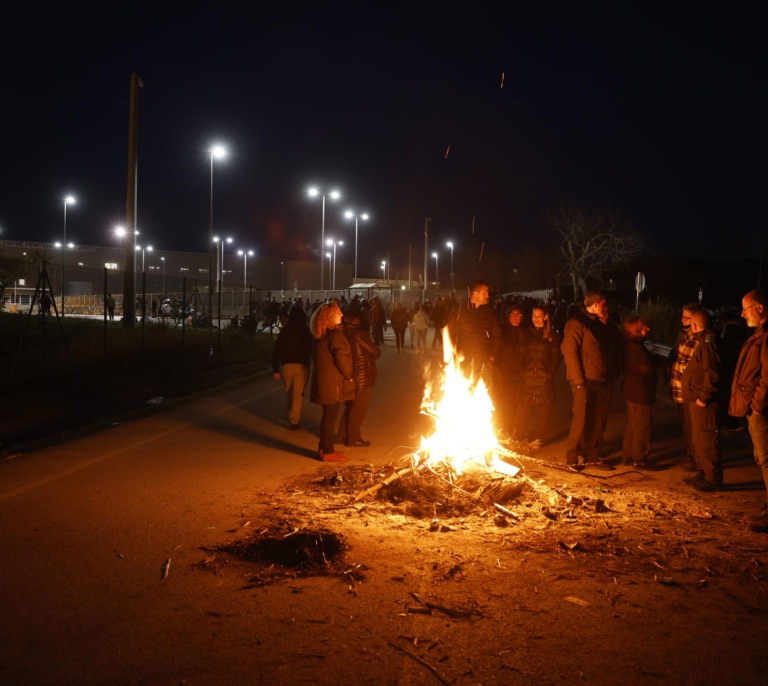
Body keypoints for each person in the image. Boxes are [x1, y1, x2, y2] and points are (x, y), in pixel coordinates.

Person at [728, 289, 768, 533]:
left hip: (761, 411)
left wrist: (757, 404)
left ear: (760, 308)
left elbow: (767, 376)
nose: (742, 314)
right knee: (762, 459)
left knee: (767, 460)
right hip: (756, 409)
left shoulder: (766, 337)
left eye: (746, 309)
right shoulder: (760, 335)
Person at [560, 290, 613, 469]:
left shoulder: (596, 323)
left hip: (599, 377)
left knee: (597, 418)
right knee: (581, 418)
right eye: (604, 304)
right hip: (584, 379)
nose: (606, 308)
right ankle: (572, 458)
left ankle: (592, 455)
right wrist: (578, 381)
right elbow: (569, 351)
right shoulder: (576, 323)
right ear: (596, 304)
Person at [678, 310, 722, 490]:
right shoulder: (703, 341)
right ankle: (704, 473)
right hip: (695, 398)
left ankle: (712, 478)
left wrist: (704, 398)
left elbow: (712, 373)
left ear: (694, 326)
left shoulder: (708, 343)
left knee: (707, 439)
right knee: (699, 439)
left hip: (703, 401)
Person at [309, 302, 355, 462]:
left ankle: (323, 448)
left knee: (328, 415)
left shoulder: (320, 335)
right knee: (330, 416)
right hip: (332, 383)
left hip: (324, 381)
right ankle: (328, 452)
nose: (342, 314)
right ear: (331, 316)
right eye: (338, 312)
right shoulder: (334, 335)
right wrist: (349, 375)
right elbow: (342, 358)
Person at [515, 305, 561, 448]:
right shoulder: (525, 334)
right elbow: (520, 355)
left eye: (539, 316)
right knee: (522, 411)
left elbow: (555, 359)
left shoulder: (553, 336)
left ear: (546, 317)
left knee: (543, 414)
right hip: (527, 379)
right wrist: (522, 372)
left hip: (544, 380)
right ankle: (518, 438)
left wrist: (549, 375)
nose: (536, 319)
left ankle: (538, 439)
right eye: (534, 315)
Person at [449, 280, 502, 390]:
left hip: (485, 359)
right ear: (475, 294)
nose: (488, 296)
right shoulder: (460, 310)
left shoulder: (490, 312)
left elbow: (497, 335)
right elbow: (448, 332)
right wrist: (455, 351)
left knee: (485, 392)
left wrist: (493, 355)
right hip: (465, 360)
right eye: (484, 293)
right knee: (464, 391)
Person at [669, 302, 704, 471]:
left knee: (694, 428)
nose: (682, 320)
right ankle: (690, 455)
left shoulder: (698, 341)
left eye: (686, 318)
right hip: (679, 390)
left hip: (689, 392)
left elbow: (694, 368)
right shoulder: (684, 337)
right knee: (687, 427)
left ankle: (697, 460)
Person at [339, 310, 381, 447]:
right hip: (361, 376)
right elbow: (375, 352)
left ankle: (343, 434)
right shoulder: (359, 334)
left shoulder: (342, 334)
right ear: (354, 321)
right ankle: (354, 437)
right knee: (359, 406)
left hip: (348, 375)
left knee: (350, 405)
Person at [621, 316, 656, 468]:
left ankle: (628, 455)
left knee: (633, 424)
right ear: (637, 331)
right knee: (642, 424)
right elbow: (645, 368)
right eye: (644, 327)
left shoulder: (629, 345)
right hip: (641, 391)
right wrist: (656, 364)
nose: (648, 329)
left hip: (631, 389)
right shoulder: (636, 348)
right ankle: (640, 458)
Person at [272, 305, 313, 430]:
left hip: (287, 366)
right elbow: (312, 348)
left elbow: (277, 349)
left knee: (289, 392)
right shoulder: (306, 331)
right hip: (302, 366)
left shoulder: (285, 331)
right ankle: (294, 420)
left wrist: (275, 368)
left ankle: (292, 416)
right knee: (298, 394)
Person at [494, 306, 526, 437]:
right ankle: (501, 429)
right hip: (504, 374)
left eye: (519, 315)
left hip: (519, 374)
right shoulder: (501, 331)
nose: (516, 318)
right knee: (502, 403)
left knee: (514, 404)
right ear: (507, 316)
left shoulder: (524, 333)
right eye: (513, 315)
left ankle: (511, 430)